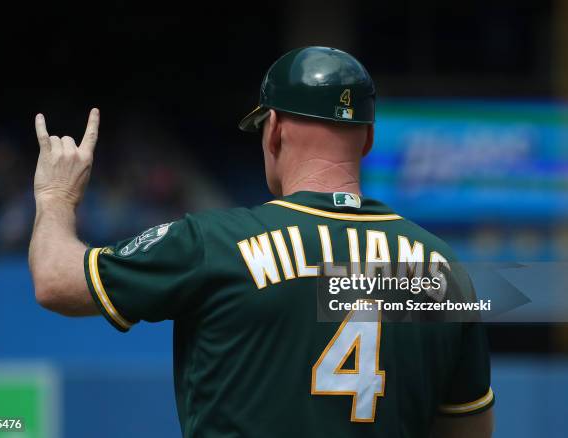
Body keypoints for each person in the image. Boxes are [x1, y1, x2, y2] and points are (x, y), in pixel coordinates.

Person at [29, 46, 494, 437]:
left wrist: (55, 196)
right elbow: (471, 431)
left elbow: (54, 280)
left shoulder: (212, 243)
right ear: (368, 138)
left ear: (273, 130)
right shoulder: (446, 271)